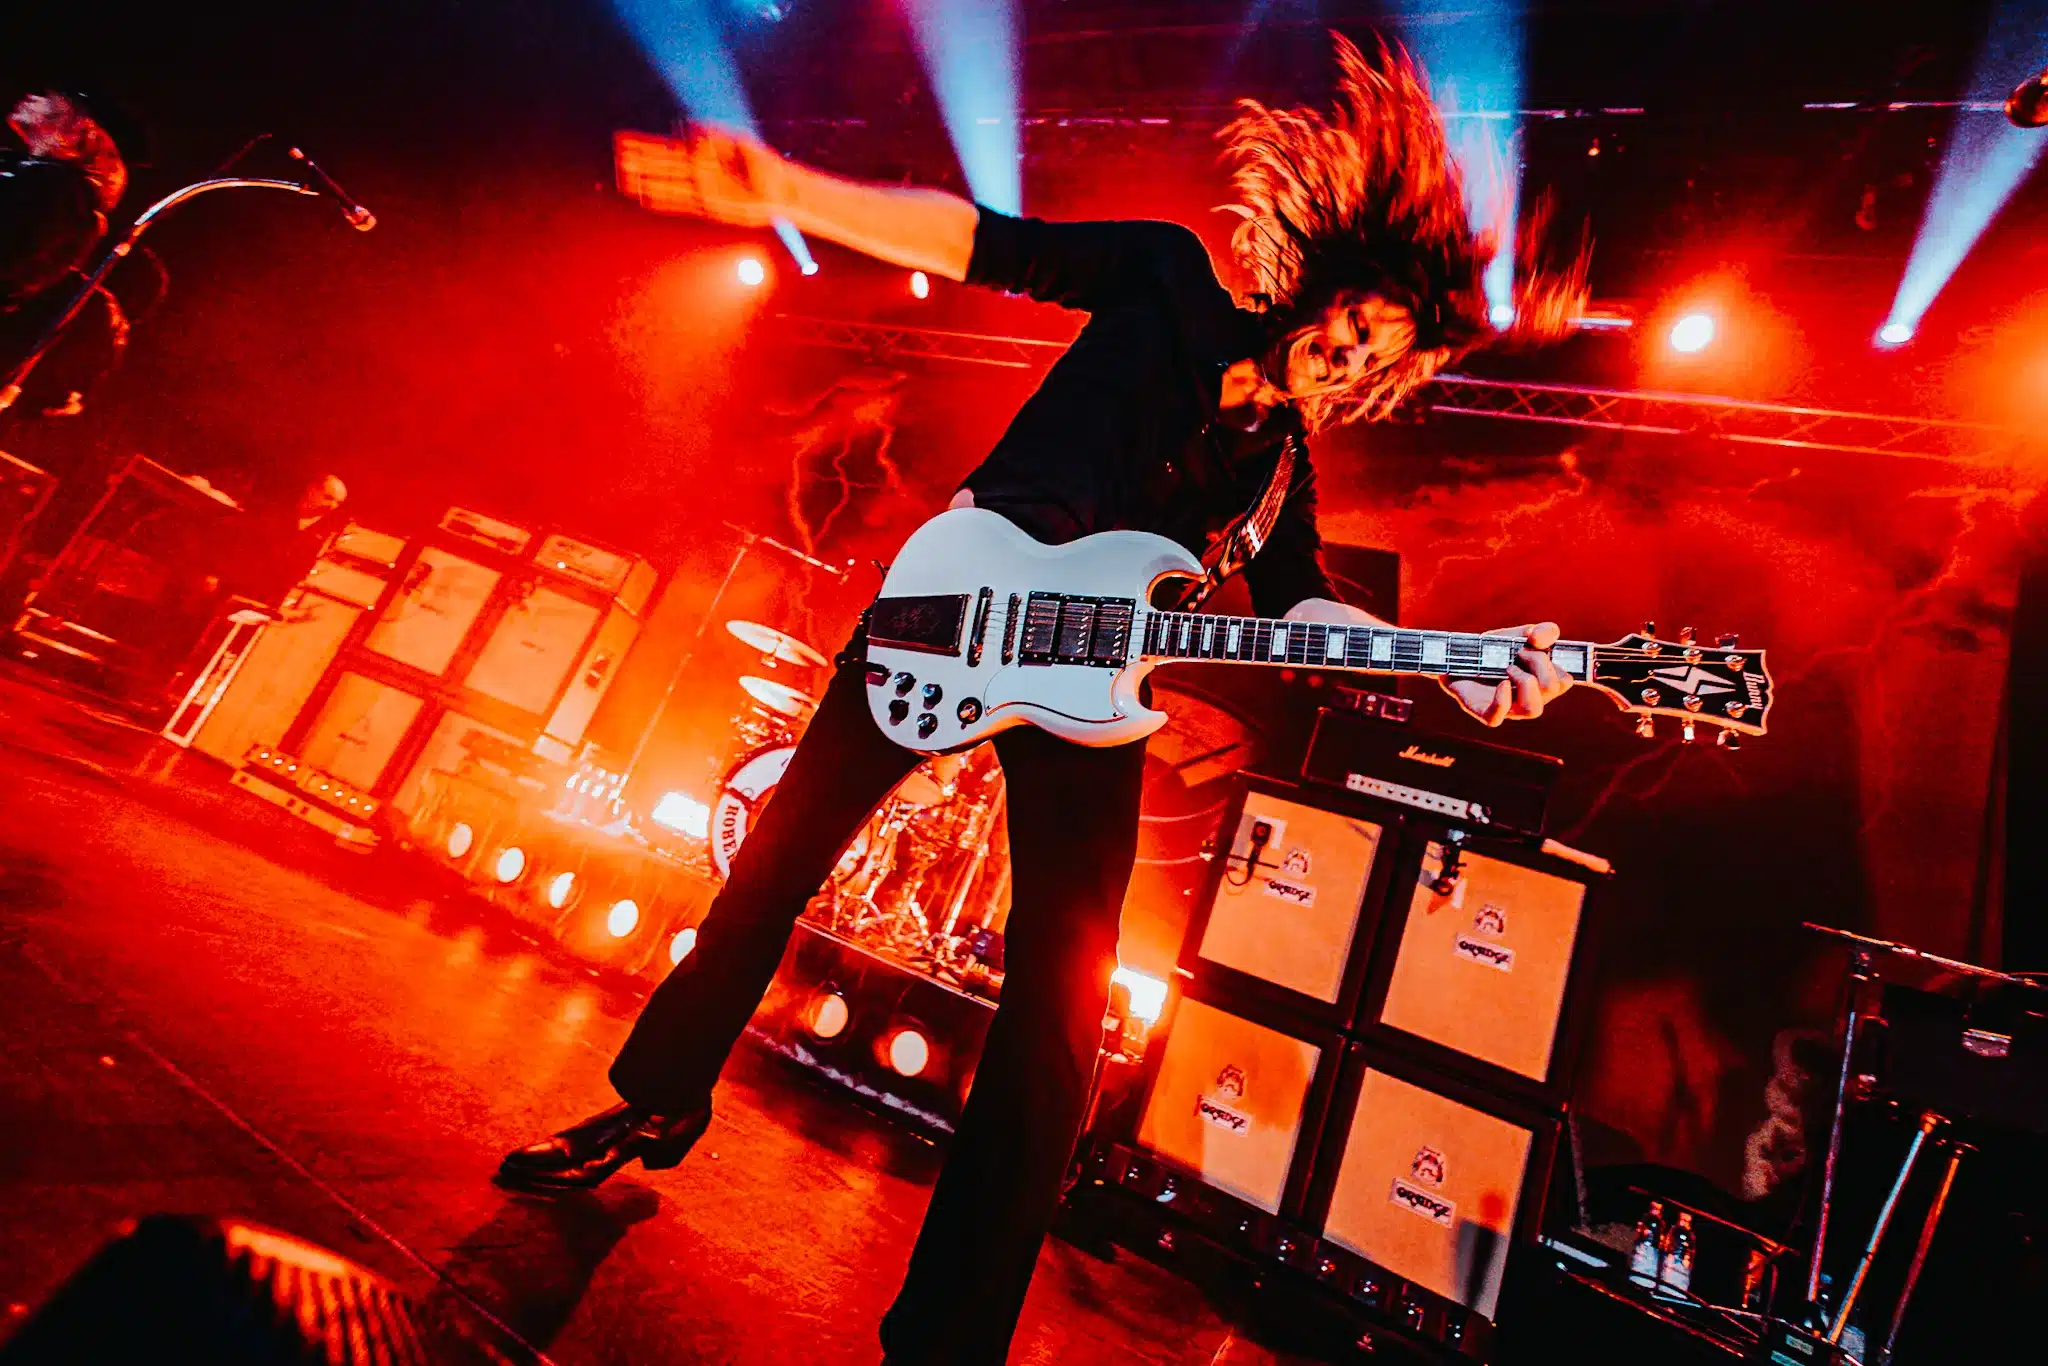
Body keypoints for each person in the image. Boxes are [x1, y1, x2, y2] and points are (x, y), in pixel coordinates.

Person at [500, 35, 1588, 1364]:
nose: (1353, 356)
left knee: (1064, 1005)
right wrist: (787, 187)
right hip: (950, 609)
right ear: (1325, 291)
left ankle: (948, 1332)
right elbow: (986, 242)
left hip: (1084, 695)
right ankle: (658, 1097)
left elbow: (1305, 611)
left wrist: (1456, 667)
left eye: (1380, 358)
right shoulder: (1170, 284)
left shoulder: (1279, 473)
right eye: (1361, 322)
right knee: (774, 860)